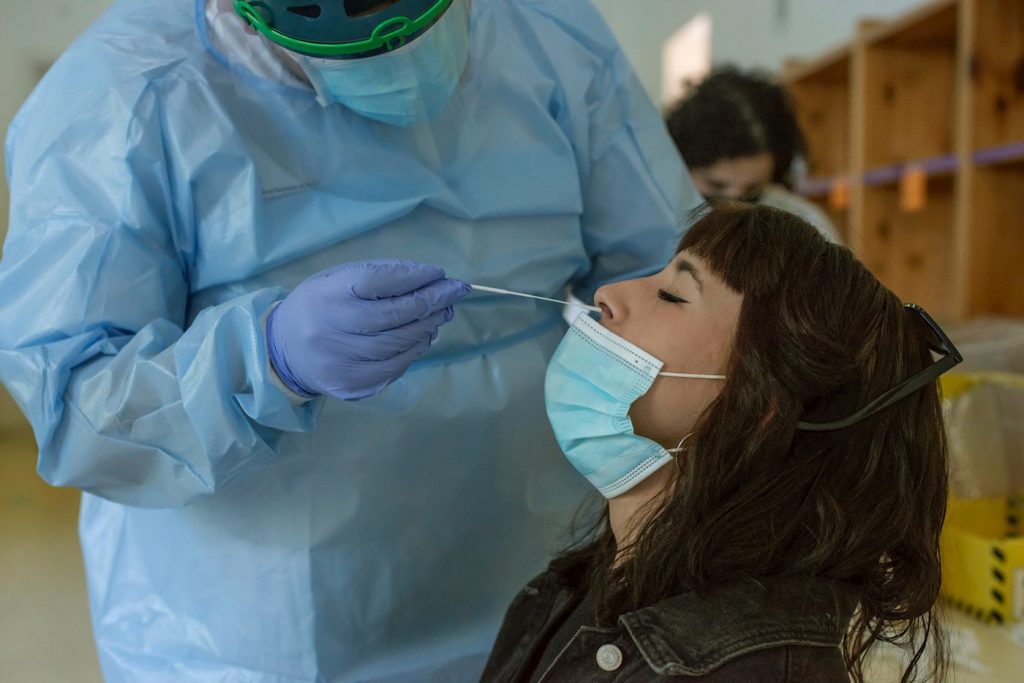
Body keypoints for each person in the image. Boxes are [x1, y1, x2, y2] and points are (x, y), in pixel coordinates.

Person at [0, 0, 703, 680]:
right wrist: (263, 360)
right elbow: (78, 405)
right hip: (256, 637)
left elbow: (672, 273)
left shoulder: (550, 31)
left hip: (535, 578)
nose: (398, 53)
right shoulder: (123, 93)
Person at [482, 204, 956, 682]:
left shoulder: (750, 670)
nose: (607, 294)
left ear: (757, 408)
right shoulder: (591, 582)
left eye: (672, 294)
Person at [665, 67, 843, 244]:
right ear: (682, 164)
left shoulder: (806, 226)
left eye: (752, 192)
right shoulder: (656, 217)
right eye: (716, 185)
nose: (731, 205)